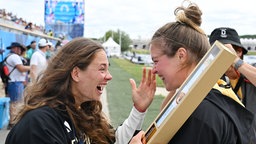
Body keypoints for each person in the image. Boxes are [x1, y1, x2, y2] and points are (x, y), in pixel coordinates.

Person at [5, 37, 156, 144]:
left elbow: (113, 141)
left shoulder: (83, 111)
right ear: (76, 73)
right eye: (102, 69)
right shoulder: (39, 125)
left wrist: (138, 110)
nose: (109, 77)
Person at [149, 1, 256, 143]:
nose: (153, 70)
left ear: (181, 55)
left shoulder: (198, 112)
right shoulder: (211, 92)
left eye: (156, 61)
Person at [209, 27, 256, 114]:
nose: (222, 57)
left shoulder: (250, 75)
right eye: (217, 52)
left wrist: (234, 60)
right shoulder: (208, 80)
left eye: (227, 52)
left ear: (239, 52)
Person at [5, 42, 30, 129]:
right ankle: (13, 122)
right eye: (19, 48)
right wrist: (33, 67)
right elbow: (21, 68)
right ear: (14, 48)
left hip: (16, 82)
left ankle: (13, 122)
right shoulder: (14, 57)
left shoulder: (12, 56)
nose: (20, 50)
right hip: (15, 82)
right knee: (16, 103)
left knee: (16, 103)